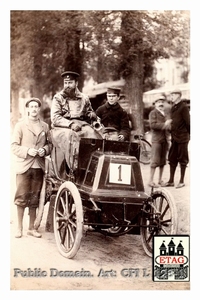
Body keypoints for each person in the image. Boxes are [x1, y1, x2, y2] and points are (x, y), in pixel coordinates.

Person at [11, 98, 50, 238]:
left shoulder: (45, 126)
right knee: (21, 196)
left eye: (36, 107)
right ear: (27, 109)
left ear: (39, 109)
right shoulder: (20, 125)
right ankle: (19, 228)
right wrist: (27, 151)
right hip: (24, 166)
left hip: (38, 166)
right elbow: (13, 146)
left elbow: (50, 145)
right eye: (31, 106)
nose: (34, 109)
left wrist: (44, 150)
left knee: (35, 197)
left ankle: (32, 228)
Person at [51, 71, 102, 171]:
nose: (67, 85)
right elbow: (55, 117)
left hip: (82, 125)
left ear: (76, 83)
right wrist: (70, 124)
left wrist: (92, 115)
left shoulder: (84, 98)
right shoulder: (58, 98)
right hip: (62, 127)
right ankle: (74, 169)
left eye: (70, 82)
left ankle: (93, 166)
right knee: (71, 137)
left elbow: (89, 112)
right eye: (65, 83)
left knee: (96, 136)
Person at [164, 89, 190, 188]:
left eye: (173, 95)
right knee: (172, 158)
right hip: (174, 137)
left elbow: (188, 123)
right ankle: (171, 181)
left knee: (183, 159)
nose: (171, 97)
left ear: (178, 95)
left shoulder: (183, 107)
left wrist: (189, 134)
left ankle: (182, 181)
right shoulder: (173, 108)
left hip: (183, 137)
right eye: (171, 95)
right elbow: (174, 122)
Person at [148, 95, 171, 187]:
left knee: (162, 161)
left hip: (165, 140)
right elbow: (153, 125)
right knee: (154, 161)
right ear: (155, 104)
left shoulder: (166, 113)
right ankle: (150, 181)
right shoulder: (153, 113)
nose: (160, 104)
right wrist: (165, 124)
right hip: (156, 140)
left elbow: (169, 127)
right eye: (158, 102)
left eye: (162, 102)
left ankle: (160, 180)